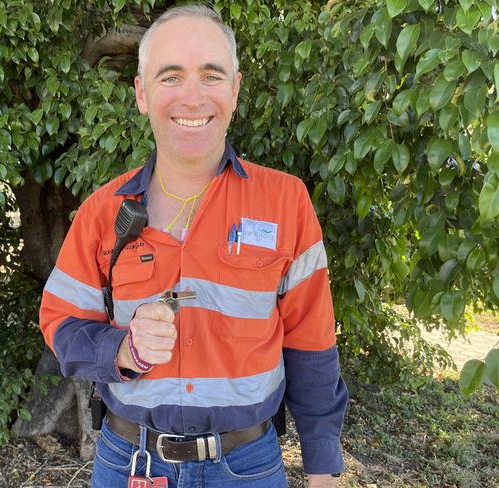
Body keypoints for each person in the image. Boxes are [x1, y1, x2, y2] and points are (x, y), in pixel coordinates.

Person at [39, 4, 348, 487]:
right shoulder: (104, 210)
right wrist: (125, 350)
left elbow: (311, 344)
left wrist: (322, 470)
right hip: (129, 465)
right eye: (170, 77)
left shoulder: (286, 201)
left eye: (210, 74)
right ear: (141, 94)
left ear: (235, 89)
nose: (192, 95)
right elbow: (60, 323)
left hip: (247, 469)